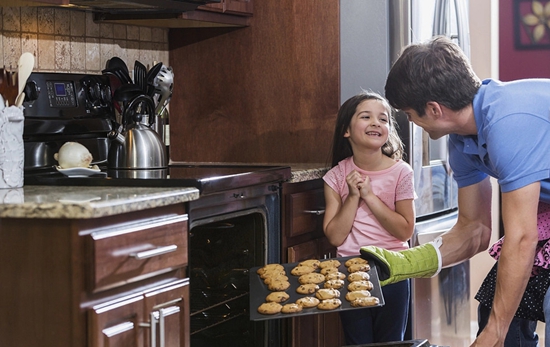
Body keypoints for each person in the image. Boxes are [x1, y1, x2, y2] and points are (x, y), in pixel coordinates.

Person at [360, 35, 550, 347]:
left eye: (410, 114)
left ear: (433, 109)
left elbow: (522, 237)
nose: (411, 122)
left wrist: (494, 334)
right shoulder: (463, 141)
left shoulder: (509, 123)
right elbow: (474, 230)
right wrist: (403, 262)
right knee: (497, 303)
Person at [322, 91, 416, 344]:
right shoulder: (336, 176)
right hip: (351, 272)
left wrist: (370, 197)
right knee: (357, 342)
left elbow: (405, 231)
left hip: (394, 270)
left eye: (383, 119)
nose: (376, 122)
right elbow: (335, 235)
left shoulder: (401, 172)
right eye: (366, 116)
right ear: (346, 131)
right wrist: (352, 196)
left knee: (391, 342)